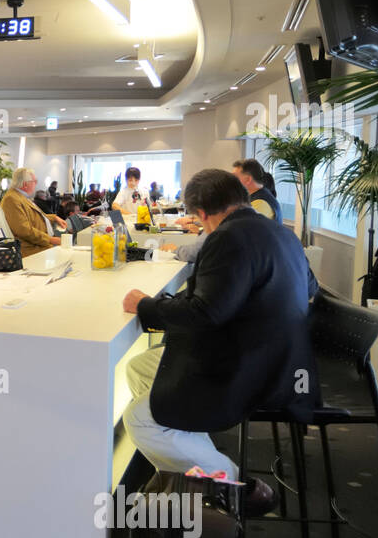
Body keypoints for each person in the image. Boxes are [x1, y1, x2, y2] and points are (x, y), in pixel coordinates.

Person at [120, 168, 319, 515]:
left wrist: (147, 307)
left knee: (138, 418)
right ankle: (187, 468)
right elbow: (310, 288)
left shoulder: (227, 238)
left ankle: (230, 483)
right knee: (140, 367)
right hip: (280, 360)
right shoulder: (279, 232)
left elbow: (206, 313)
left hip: (245, 370)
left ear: (201, 214)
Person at [1, 167, 65, 258]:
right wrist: (50, 240)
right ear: (25, 184)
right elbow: (23, 230)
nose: (36, 184)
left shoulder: (20, 196)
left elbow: (35, 217)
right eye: (34, 181)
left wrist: (54, 217)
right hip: (31, 250)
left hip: (39, 245)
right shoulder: (11, 199)